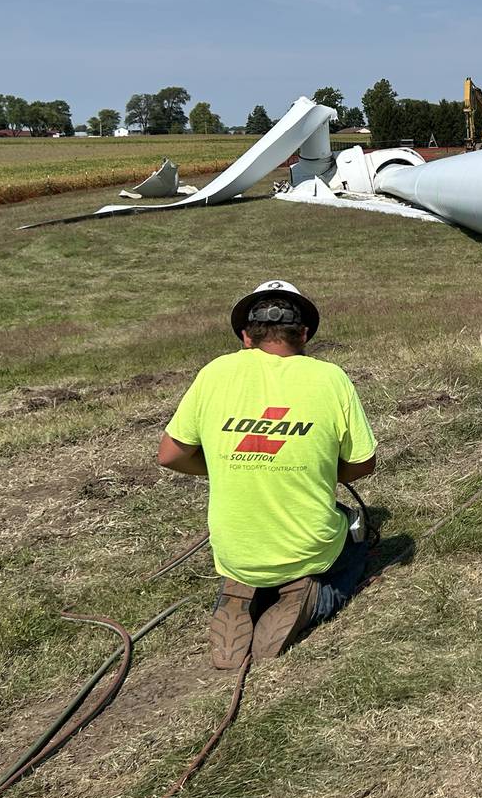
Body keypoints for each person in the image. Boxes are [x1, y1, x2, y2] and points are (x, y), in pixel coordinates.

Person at [157, 279, 378, 668]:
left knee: (249, 563)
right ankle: (309, 597)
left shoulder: (214, 373)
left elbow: (170, 455)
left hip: (235, 552)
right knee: (359, 544)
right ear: (304, 334)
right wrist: (317, 470)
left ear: (245, 336)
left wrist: (225, 468)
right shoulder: (330, 378)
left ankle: (242, 593)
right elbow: (364, 463)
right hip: (309, 547)